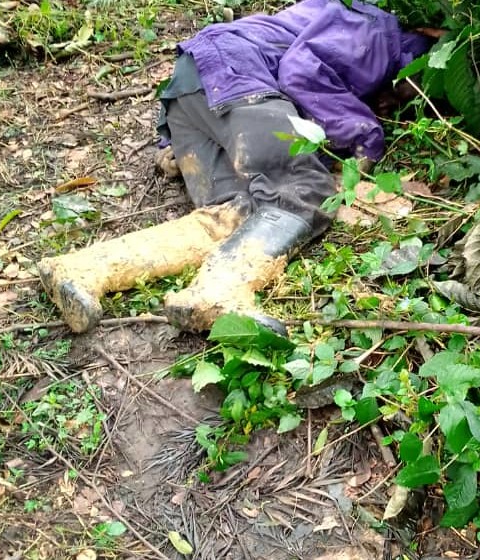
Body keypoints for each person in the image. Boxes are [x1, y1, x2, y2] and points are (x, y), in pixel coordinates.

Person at [38, 0, 431, 334]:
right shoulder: (379, 29)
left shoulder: (345, 23)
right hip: (234, 77)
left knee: (239, 212)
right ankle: (220, 290)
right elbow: (300, 71)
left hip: (196, 91)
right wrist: (367, 136)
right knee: (305, 189)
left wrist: (172, 142)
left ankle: (82, 269)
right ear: (428, 43)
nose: (420, 100)